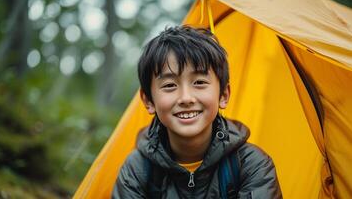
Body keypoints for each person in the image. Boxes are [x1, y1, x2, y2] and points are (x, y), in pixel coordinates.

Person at [112, 25, 282, 198]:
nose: (186, 98)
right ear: (148, 100)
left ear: (223, 95)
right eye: (170, 85)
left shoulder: (251, 165)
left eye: (199, 82)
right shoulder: (137, 170)